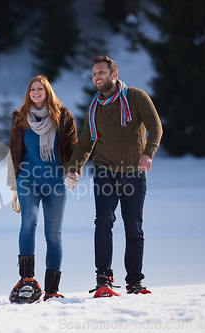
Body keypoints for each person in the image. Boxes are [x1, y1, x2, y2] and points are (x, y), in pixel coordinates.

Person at [64, 56, 162, 296]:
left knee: (134, 227)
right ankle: (103, 278)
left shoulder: (136, 97)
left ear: (113, 75)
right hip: (104, 170)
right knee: (104, 220)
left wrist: (148, 153)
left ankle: (135, 281)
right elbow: (86, 142)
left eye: (101, 72)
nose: (97, 77)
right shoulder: (95, 106)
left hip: (133, 173)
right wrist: (74, 167)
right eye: (94, 73)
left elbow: (156, 127)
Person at [7, 74, 78, 303]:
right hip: (27, 179)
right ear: (29, 93)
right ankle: (27, 281)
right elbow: (13, 151)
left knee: (53, 235)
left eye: (40, 88)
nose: (36, 92)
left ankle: (52, 289)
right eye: (32, 89)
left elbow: (71, 148)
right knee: (29, 222)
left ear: (47, 92)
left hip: (55, 181)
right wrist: (13, 187)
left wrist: (72, 170)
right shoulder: (20, 119)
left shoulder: (63, 117)